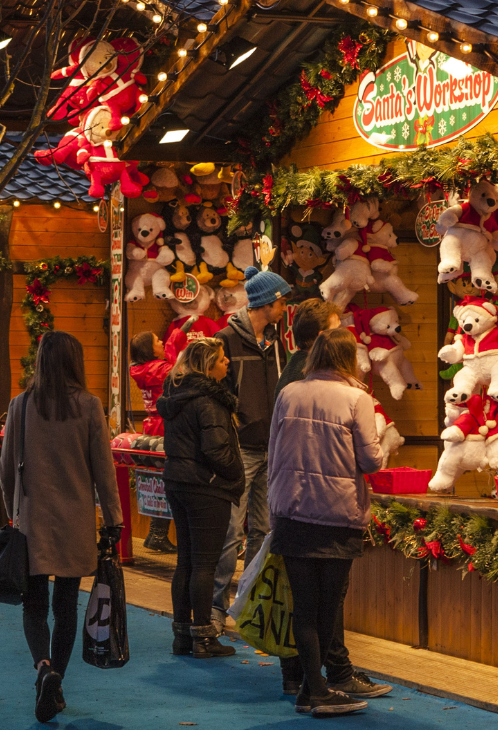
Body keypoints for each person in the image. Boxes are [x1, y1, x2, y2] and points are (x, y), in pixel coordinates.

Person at [0, 330, 124, 724]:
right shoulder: (89, 406)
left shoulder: (20, 405)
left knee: (33, 605)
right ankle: (58, 683)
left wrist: (12, 512)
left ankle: (43, 668)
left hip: (31, 520)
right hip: (76, 521)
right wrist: (115, 519)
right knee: (66, 606)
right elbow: (104, 470)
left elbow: (5, 469)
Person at [274, 300, 391, 702]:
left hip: (291, 510)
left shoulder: (289, 392)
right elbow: (371, 460)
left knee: (304, 608)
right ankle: (317, 690)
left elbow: (274, 450)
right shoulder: (356, 398)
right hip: (336, 513)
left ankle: (311, 688)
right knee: (328, 609)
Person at [211, 265, 292, 626]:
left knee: (263, 529)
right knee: (230, 529)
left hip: (272, 447)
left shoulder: (279, 342)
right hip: (241, 447)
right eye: (281, 301)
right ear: (266, 303)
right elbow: (218, 390)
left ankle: (248, 606)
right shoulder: (225, 340)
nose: (285, 307)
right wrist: (236, 423)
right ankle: (215, 605)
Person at [158, 338, 245, 659]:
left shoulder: (177, 394)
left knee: (186, 562)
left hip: (177, 482)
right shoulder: (210, 400)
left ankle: (182, 635)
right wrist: (237, 474)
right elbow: (216, 449)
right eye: (222, 360)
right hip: (206, 487)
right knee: (205, 565)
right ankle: (203, 638)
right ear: (209, 366)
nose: (227, 364)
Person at [129, 327, 187, 553]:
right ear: (148, 349)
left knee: (159, 483)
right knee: (169, 483)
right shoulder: (158, 369)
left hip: (152, 427)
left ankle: (156, 533)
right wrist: (175, 340)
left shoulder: (143, 369)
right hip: (165, 428)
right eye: (157, 340)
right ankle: (158, 534)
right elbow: (177, 374)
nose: (161, 342)